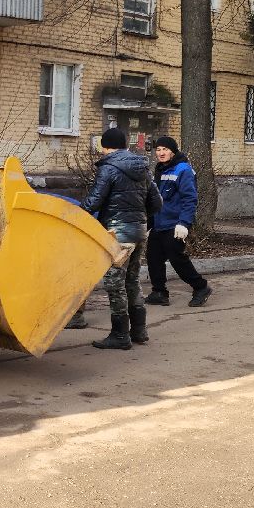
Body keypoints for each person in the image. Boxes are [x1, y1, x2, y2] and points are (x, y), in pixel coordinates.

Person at [82, 127, 162, 350]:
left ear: (105, 147)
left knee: (114, 282)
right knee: (132, 280)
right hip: (139, 230)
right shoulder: (142, 168)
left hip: (118, 232)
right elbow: (157, 203)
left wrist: (77, 213)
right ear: (126, 145)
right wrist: (140, 218)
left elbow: (94, 201)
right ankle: (139, 331)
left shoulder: (108, 168)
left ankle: (120, 335)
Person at [146, 136, 212, 308]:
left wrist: (184, 223)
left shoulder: (183, 170)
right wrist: (148, 223)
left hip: (174, 224)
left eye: (165, 150)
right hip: (159, 223)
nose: (161, 153)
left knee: (177, 259)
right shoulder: (160, 169)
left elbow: (189, 199)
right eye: (158, 149)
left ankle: (201, 287)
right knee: (153, 257)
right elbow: (155, 199)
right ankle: (159, 292)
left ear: (173, 151)